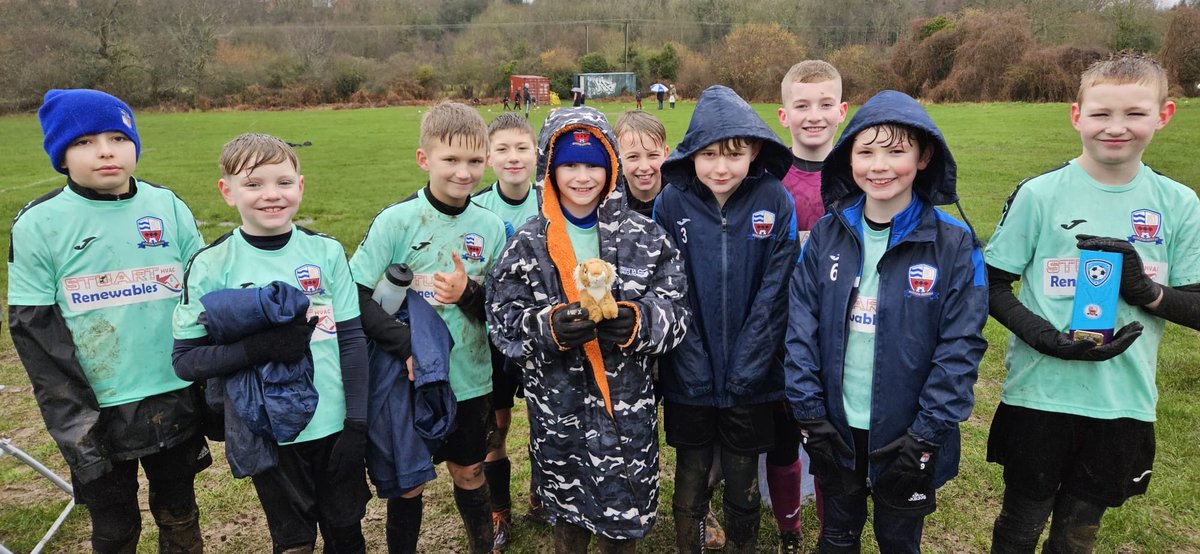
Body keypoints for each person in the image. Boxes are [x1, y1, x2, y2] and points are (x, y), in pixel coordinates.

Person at [984, 53, 1200, 553]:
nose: (1116, 128)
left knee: (1080, 531)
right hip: (1039, 394)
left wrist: (1149, 293)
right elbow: (992, 284)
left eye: (1135, 114)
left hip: (1121, 401)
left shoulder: (1179, 204)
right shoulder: (1039, 195)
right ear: (1077, 115)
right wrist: (1044, 338)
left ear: (1163, 115)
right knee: (1020, 522)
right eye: (1102, 114)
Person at [784, 88, 988, 553]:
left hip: (906, 432)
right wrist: (810, 414)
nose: (879, 166)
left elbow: (961, 348)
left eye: (896, 152)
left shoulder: (956, 245)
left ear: (924, 156)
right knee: (836, 535)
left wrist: (926, 434)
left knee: (898, 540)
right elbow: (800, 330)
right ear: (848, 158)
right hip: (835, 426)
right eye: (866, 151)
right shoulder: (825, 234)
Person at [9, 89, 209, 554]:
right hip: (95, 409)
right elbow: (36, 337)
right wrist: (76, 424)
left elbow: (200, 295)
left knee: (179, 510)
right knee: (115, 524)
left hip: (173, 393)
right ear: (61, 155)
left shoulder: (167, 206)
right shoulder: (40, 224)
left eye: (118, 136)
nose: (105, 150)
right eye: (84, 142)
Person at [487, 106, 690, 553]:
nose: (583, 177)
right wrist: (548, 327)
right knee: (568, 512)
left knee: (622, 517)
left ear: (611, 166)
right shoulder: (526, 244)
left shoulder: (646, 237)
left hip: (627, 411)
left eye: (594, 165)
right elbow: (501, 320)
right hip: (559, 413)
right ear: (550, 169)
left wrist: (638, 321)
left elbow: (676, 311)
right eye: (570, 165)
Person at [171, 133, 371, 553]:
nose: (271, 195)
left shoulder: (327, 251)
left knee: (346, 532)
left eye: (283, 182)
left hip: (334, 425)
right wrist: (258, 350)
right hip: (267, 432)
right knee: (293, 540)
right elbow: (186, 361)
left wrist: (357, 424)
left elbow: (351, 341)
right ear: (228, 192)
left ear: (301, 185)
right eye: (254, 184)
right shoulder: (211, 265)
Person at [349, 102, 506, 554]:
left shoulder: (492, 227)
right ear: (425, 159)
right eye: (451, 160)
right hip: (407, 379)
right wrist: (406, 347)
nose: (464, 172)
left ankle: (482, 545)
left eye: (475, 161)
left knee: (470, 470)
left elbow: (504, 307)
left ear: (487, 161)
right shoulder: (396, 221)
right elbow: (354, 295)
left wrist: (469, 295)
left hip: (468, 378)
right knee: (409, 483)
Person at [654, 84, 800, 553]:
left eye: (734, 154)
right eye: (709, 154)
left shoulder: (775, 200)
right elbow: (669, 289)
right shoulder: (670, 203)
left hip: (753, 379)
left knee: (742, 481)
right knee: (692, 477)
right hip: (687, 375)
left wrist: (748, 366)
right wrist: (690, 362)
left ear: (754, 149)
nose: (721, 167)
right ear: (691, 154)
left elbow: (776, 293)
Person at [470, 113, 546, 551]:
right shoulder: (478, 209)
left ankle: (542, 491)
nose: (513, 158)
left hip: (543, 336)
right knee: (494, 427)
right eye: (502, 149)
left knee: (547, 418)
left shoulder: (552, 200)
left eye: (521, 148)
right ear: (488, 157)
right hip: (491, 339)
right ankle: (500, 507)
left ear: (536, 153)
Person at [613, 110, 670, 218]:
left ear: (665, 154)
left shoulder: (681, 198)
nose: (644, 167)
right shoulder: (609, 203)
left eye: (653, 155)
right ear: (617, 158)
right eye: (633, 157)